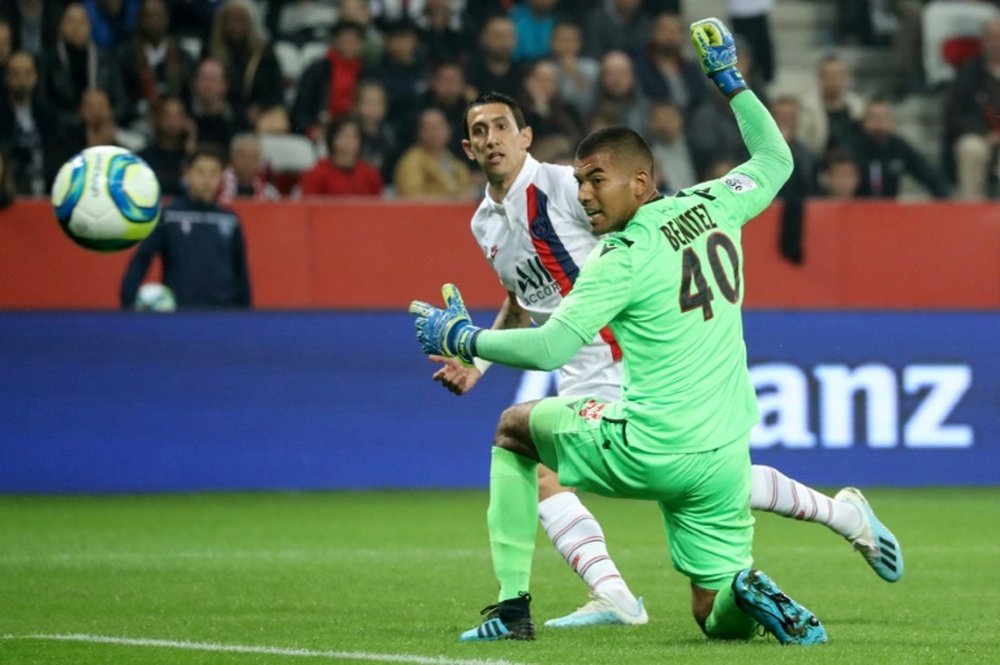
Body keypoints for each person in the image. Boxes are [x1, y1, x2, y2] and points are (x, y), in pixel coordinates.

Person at [411, 18, 903, 643]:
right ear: (467, 148)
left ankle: (532, 606)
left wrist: (461, 338)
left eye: (597, 182)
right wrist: (730, 81)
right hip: (712, 428)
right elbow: (776, 160)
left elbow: (553, 339)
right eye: (476, 131)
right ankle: (703, 582)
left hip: (627, 371)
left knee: (529, 442)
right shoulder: (711, 201)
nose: (587, 194)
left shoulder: (589, 217)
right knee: (710, 603)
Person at [121, 145, 252, 310]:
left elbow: (240, 269)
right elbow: (142, 259)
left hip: (223, 314)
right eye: (200, 172)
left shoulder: (229, 219)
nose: (207, 180)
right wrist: (128, 301)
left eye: (213, 173)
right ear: (187, 173)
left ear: (221, 177)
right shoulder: (169, 216)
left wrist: (246, 312)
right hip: (180, 314)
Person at [942, 17, 1000, 200]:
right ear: (983, 41)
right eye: (992, 37)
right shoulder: (969, 73)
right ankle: (971, 211)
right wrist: (984, 133)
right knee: (971, 149)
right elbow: (953, 114)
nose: (997, 43)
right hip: (980, 138)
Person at [854, 96, 949, 199]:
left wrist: (943, 195)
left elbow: (926, 171)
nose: (879, 123)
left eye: (884, 117)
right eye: (874, 118)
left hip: (889, 208)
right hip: (857, 207)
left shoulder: (898, 146)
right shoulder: (854, 148)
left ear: (891, 120)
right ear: (865, 121)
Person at [393, 107, 470, 200]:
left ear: (448, 130)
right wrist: (451, 200)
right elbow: (412, 198)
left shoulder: (453, 161)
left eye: (440, 127)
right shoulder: (412, 162)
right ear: (420, 132)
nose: (435, 133)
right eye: (430, 128)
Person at [298, 115, 383, 197]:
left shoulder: (371, 175)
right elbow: (309, 208)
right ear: (332, 139)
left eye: (353, 137)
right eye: (343, 136)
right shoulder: (315, 174)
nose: (348, 141)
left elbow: (378, 208)